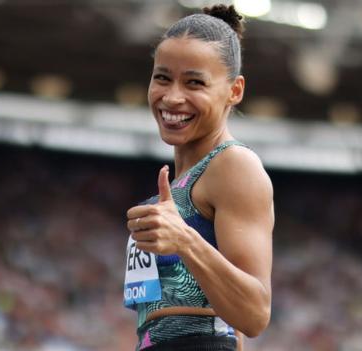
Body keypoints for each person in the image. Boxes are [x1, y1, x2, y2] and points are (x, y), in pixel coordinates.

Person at [123, 4, 274, 351]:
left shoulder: (234, 165)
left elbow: (254, 313)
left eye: (194, 82)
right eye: (162, 77)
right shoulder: (183, 183)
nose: (172, 97)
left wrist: (186, 241)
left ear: (234, 91)